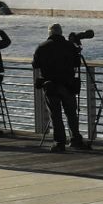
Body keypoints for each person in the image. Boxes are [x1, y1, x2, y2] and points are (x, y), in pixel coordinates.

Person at [32, 23, 90, 152]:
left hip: (50, 85)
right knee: (71, 114)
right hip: (68, 85)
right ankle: (76, 139)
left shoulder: (42, 47)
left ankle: (59, 142)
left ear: (49, 33)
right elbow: (77, 63)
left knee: (55, 115)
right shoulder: (70, 46)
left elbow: (35, 64)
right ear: (61, 32)